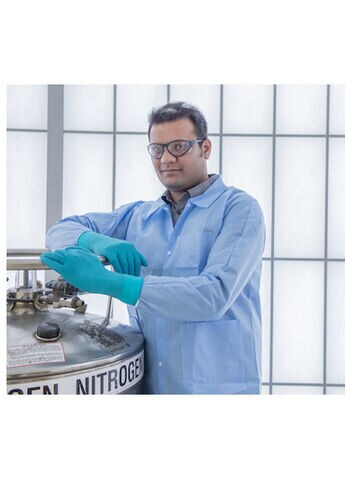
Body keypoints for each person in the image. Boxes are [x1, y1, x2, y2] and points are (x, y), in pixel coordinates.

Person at [41, 102, 266, 394]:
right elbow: (60, 230)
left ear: (206, 148)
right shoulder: (139, 216)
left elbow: (214, 294)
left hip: (219, 388)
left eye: (178, 147)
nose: (166, 159)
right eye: (157, 149)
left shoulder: (239, 210)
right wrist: (96, 241)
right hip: (152, 387)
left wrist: (113, 283)